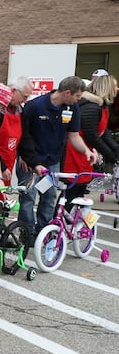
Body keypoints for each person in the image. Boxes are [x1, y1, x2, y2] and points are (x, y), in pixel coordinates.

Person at [17, 75, 99, 234]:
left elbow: (73, 135)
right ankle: (26, 233)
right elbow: (23, 134)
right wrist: (23, 156)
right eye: (77, 96)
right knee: (28, 198)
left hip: (52, 161)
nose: (78, 100)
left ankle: (44, 231)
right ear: (67, 93)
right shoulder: (35, 106)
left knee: (49, 197)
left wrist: (86, 151)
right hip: (30, 160)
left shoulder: (72, 108)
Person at [62, 74, 119, 207]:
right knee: (74, 190)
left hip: (85, 154)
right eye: (115, 86)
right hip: (76, 152)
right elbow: (91, 135)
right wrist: (110, 155)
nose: (117, 89)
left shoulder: (100, 107)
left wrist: (115, 149)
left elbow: (103, 133)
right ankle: (63, 221)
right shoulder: (92, 107)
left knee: (80, 191)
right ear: (108, 87)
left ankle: (73, 221)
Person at [0, 76, 34, 182]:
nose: (24, 101)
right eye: (24, 97)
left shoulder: (20, 112)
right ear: (13, 91)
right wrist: (1, 167)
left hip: (8, 164)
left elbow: (24, 139)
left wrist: (35, 162)